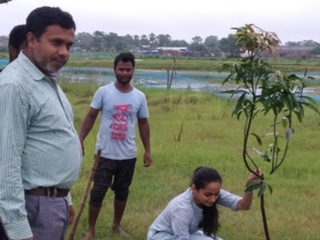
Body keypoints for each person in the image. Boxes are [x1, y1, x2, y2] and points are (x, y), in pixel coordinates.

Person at [0, 6, 82, 240]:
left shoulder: (44, 81)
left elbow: (50, 141)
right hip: (32, 209)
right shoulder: (15, 86)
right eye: (56, 42)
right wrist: (18, 230)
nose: (64, 52)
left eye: (69, 45)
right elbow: (6, 163)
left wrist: (65, 198)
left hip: (51, 203)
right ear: (32, 39)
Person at [80, 52, 152, 239]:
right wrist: (79, 140)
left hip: (128, 155)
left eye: (128, 69)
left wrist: (148, 150)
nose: (125, 73)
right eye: (121, 69)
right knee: (97, 192)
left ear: (133, 70)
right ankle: (91, 230)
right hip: (104, 154)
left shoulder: (139, 97)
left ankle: (116, 226)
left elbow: (143, 123)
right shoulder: (103, 92)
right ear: (114, 69)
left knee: (122, 192)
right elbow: (90, 116)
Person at [147, 167, 263, 240]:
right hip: (161, 236)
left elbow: (244, 205)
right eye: (208, 195)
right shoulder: (182, 208)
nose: (213, 199)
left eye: (216, 194)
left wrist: (250, 187)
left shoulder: (212, 194)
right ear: (194, 188)